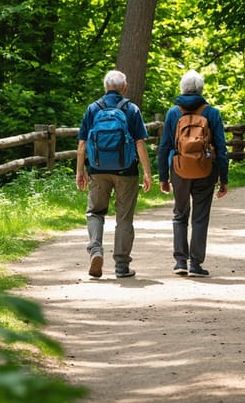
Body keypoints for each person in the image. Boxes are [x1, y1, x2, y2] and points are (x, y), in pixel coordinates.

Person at [76, 70, 152, 279]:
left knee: (95, 212)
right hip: (126, 171)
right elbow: (139, 143)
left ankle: (96, 250)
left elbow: (82, 144)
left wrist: (80, 171)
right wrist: (147, 172)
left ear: (105, 87)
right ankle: (121, 266)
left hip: (98, 170)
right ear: (124, 87)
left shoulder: (93, 109)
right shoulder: (131, 109)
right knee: (124, 218)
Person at [158, 70, 229, 277]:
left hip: (179, 170)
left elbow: (164, 146)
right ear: (201, 89)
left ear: (182, 88)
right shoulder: (211, 113)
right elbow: (221, 149)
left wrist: (163, 176)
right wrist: (223, 179)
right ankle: (195, 264)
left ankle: (180, 261)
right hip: (206, 170)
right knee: (200, 217)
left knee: (180, 214)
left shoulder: (173, 113)